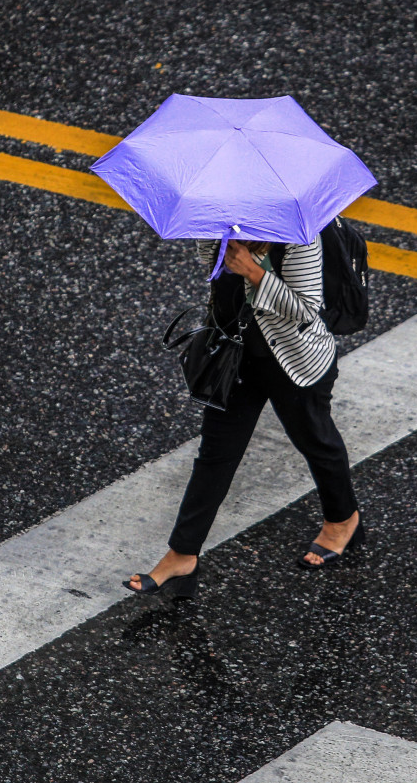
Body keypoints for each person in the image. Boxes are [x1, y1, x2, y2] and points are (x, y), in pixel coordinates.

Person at [124, 236, 362, 598]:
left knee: (315, 442)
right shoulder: (225, 219)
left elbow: (306, 308)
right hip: (235, 356)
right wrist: (220, 242)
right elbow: (213, 271)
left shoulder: (300, 235)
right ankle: (183, 555)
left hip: (293, 362)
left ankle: (343, 520)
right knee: (215, 456)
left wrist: (253, 271)